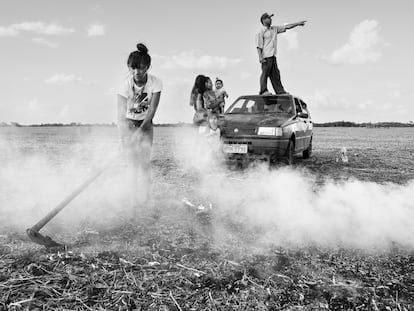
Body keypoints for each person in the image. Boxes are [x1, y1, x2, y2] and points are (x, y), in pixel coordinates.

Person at [117, 43, 162, 211]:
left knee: (144, 163)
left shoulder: (155, 83)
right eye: (133, 68)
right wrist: (123, 138)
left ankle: (146, 198)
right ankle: (132, 198)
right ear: (130, 67)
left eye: (141, 68)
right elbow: (120, 114)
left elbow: (152, 110)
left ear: (147, 67)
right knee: (132, 164)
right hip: (129, 123)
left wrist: (140, 132)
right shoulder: (124, 85)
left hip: (146, 124)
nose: (137, 72)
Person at [256, 12, 306, 95]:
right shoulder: (260, 32)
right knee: (265, 73)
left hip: (273, 56)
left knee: (275, 75)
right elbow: (259, 46)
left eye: (271, 18)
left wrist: (297, 24)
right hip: (266, 56)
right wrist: (260, 57)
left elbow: (286, 26)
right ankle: (263, 90)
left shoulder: (274, 29)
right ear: (264, 20)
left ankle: (280, 91)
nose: (271, 20)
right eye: (269, 18)